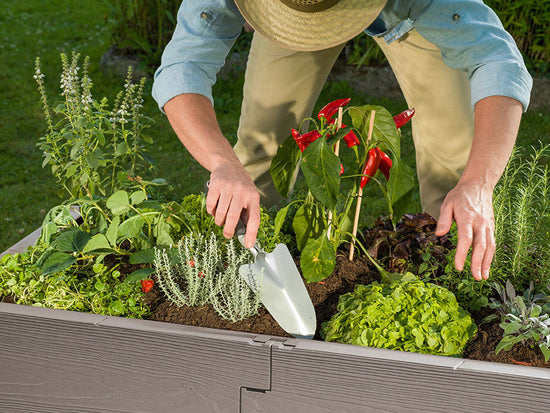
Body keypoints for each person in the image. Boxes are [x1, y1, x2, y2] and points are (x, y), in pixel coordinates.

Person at [152, 0, 532, 281]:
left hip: (407, 16)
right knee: (259, 147)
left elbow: (498, 63)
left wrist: (478, 183)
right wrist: (223, 164)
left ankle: (454, 281)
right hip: (288, 16)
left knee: (453, 164)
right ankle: (242, 265)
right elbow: (183, 67)